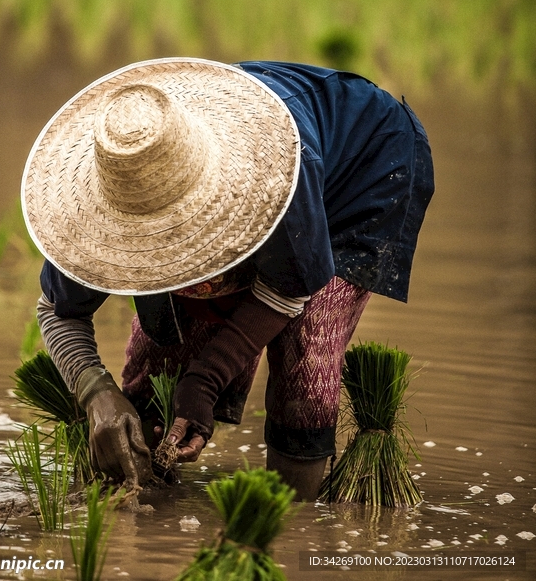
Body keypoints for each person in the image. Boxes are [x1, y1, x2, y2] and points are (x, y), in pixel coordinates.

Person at [22, 58, 434, 499]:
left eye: (174, 232)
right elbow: (57, 309)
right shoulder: (99, 201)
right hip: (239, 164)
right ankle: (149, 492)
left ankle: (287, 521)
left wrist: (207, 379)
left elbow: (290, 288)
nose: (162, 246)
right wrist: (96, 393)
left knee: (306, 356)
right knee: (161, 355)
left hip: (362, 166)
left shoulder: (275, 175)